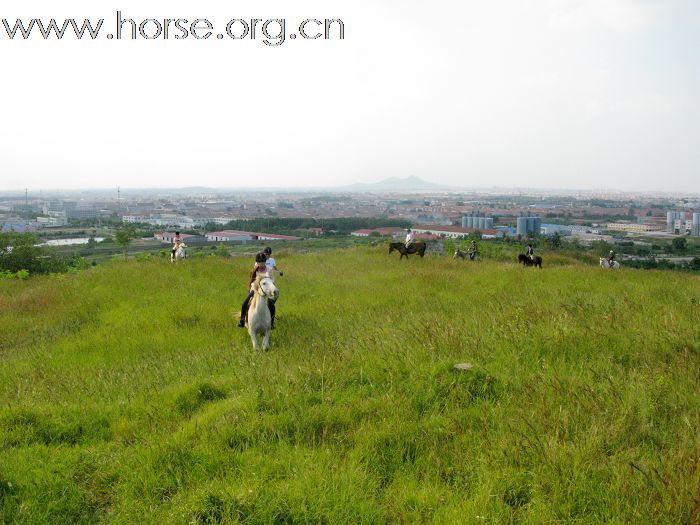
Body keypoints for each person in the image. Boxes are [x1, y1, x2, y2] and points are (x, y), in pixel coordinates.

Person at [238, 252, 275, 328]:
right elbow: (251, 282)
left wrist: (269, 284)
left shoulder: (269, 270)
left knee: (272, 306)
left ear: (265, 261)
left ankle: (272, 323)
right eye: (259, 262)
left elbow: (272, 280)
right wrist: (255, 289)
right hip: (255, 290)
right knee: (244, 303)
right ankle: (242, 320)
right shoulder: (254, 270)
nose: (261, 263)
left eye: (263, 261)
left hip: (265, 291)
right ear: (257, 262)